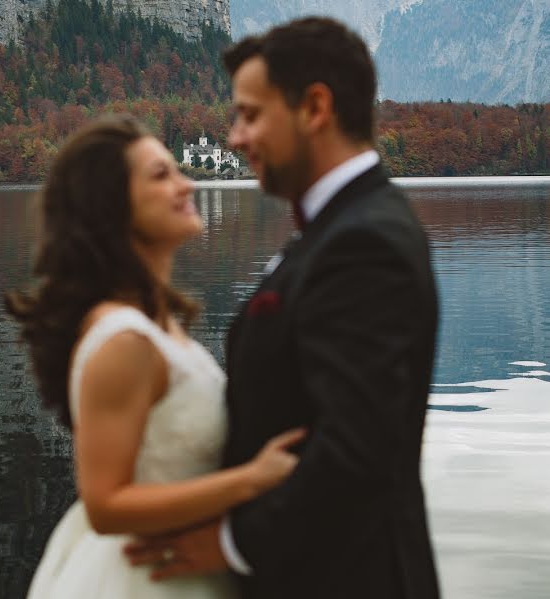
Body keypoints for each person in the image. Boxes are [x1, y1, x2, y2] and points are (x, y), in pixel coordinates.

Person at [125, 17, 442, 599]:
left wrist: (228, 543)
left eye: (250, 114)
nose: (235, 138)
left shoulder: (366, 243)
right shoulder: (339, 231)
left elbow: (356, 453)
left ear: (314, 108)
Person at [5, 114, 305, 599]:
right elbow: (105, 506)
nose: (187, 184)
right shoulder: (123, 340)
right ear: (112, 206)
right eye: (161, 175)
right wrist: (250, 481)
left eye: (177, 170)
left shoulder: (156, 324)